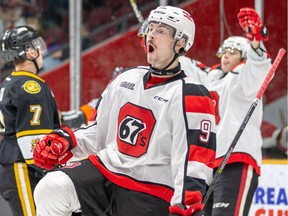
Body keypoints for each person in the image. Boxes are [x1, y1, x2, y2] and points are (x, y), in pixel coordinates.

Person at [32, 5, 216, 216]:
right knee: (51, 188)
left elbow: (195, 158)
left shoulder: (191, 93)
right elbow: (98, 130)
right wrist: (67, 142)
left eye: (161, 31)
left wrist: (187, 203)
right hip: (106, 172)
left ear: (181, 43)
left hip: (152, 189)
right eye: (151, 28)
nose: (151, 36)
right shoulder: (125, 79)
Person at [193, 8, 271, 216]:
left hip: (235, 161)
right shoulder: (214, 80)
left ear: (243, 57)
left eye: (233, 52)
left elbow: (259, 68)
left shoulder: (242, 78)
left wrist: (256, 39)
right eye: (224, 51)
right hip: (208, 169)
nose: (226, 55)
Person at [0, 25, 61, 216]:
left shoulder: (10, 82)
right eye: (37, 45)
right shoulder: (31, 86)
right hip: (23, 167)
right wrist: (50, 169)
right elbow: (32, 140)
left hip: (13, 164)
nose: (41, 50)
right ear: (29, 51)